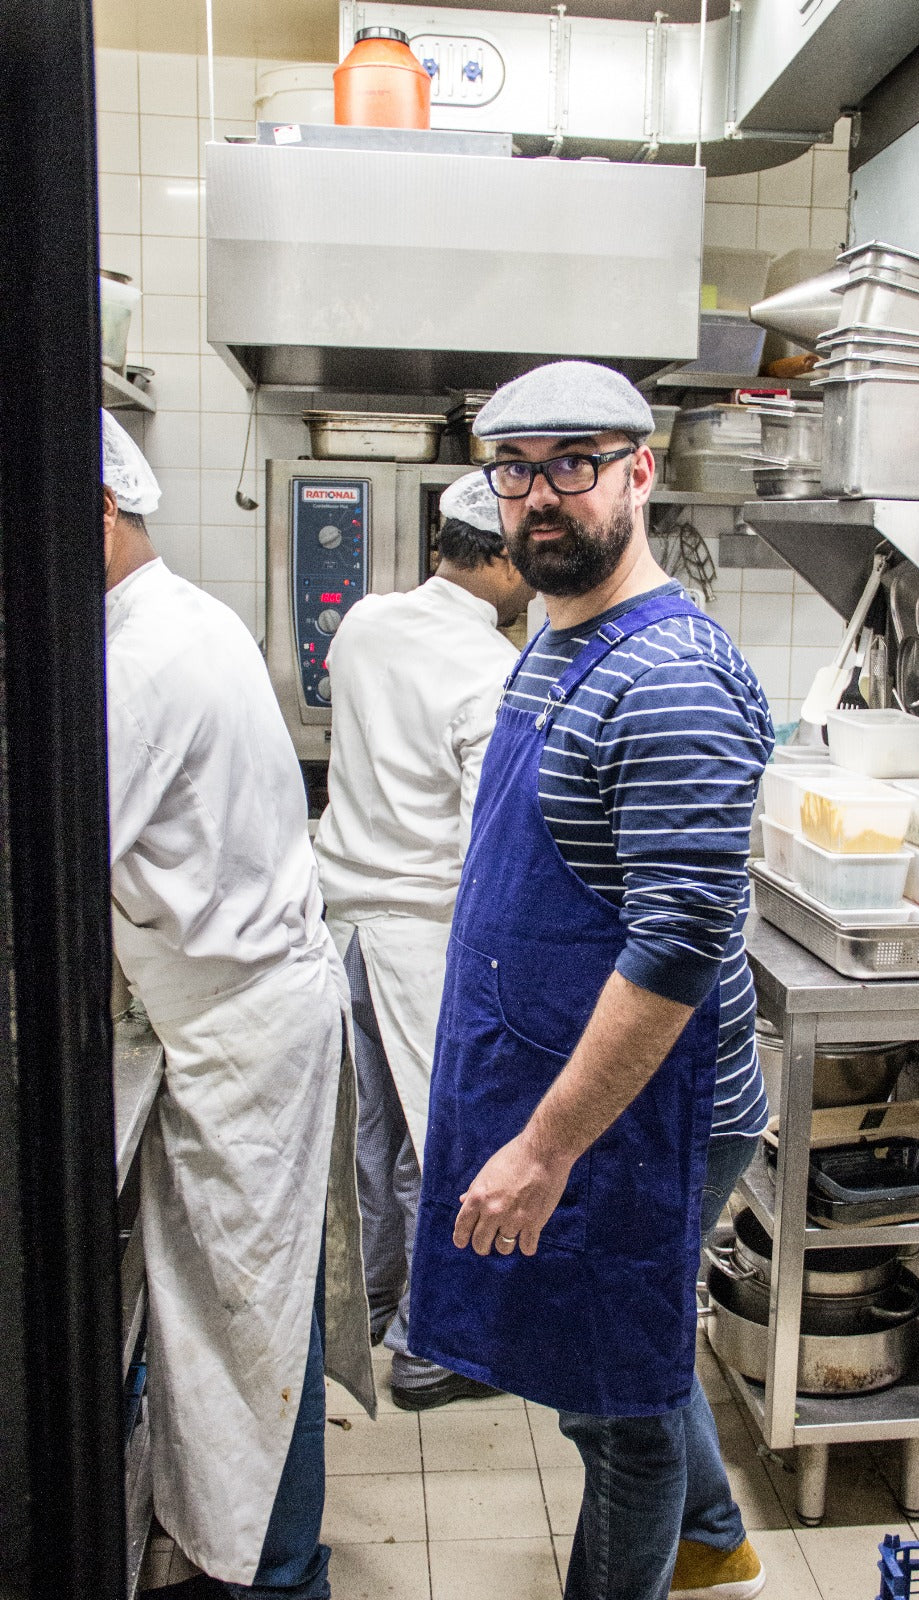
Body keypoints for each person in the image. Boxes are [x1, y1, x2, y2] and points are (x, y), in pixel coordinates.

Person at [408, 363, 775, 1600]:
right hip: (580, 1087)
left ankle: (676, 1559)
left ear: (640, 470)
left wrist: (546, 1146)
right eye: (515, 468)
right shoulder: (561, 643)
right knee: (625, 1363)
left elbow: (672, 949)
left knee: (615, 1407)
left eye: (574, 461)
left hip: (648, 1114)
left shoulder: (664, 675)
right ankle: (716, 1537)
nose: (540, 495)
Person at [101, 411, 374, 1600]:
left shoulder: (138, 661)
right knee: (250, 1315)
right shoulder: (182, 618)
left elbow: (65, 851)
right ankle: (262, 1559)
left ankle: (280, 1577)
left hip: (241, 1034)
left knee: (252, 1327)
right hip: (238, 1018)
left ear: (94, 512)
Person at [314, 471, 534, 1409]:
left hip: (339, 922)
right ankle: (426, 1347)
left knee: (365, 1132)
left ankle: (366, 1305)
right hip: (422, 937)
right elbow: (497, 831)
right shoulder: (489, 670)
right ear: (502, 557)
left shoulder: (365, 620)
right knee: (442, 1141)